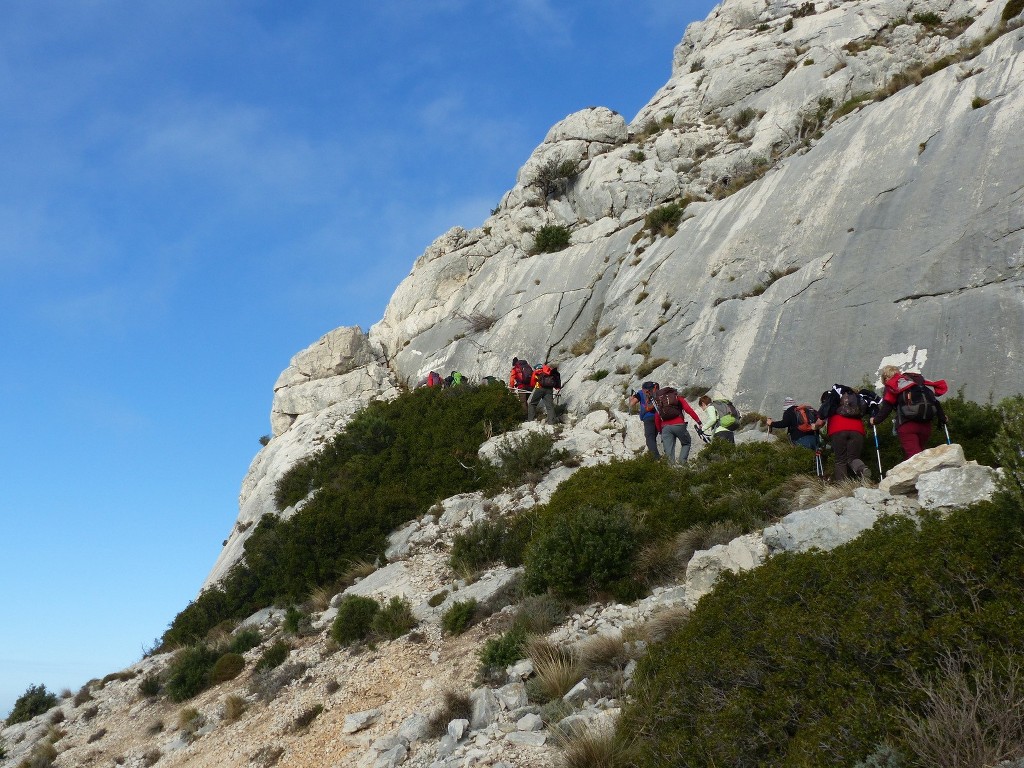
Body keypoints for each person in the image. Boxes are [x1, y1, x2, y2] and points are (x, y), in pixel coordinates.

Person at [870, 366, 948, 459]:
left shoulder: (893, 385)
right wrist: (943, 418)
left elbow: (887, 407)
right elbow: (935, 403)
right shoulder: (917, 384)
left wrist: (875, 420)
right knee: (918, 455)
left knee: (915, 458)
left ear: (885, 378)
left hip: (907, 425)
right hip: (926, 425)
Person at [815, 385, 871, 482]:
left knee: (840, 460)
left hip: (838, 430)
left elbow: (820, 422)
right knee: (853, 457)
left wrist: (814, 426)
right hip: (857, 430)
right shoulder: (852, 403)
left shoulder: (831, 402)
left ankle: (842, 486)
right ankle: (862, 469)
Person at [654, 387, 703, 465]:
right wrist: (698, 421)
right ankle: (682, 463)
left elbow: (657, 417)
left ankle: (671, 471)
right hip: (678, 425)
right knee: (686, 443)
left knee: (669, 453)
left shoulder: (661, 402)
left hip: (665, 428)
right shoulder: (678, 398)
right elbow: (688, 410)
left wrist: (660, 431)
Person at [629, 382, 661, 458]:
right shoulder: (657, 392)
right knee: (654, 437)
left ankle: (656, 459)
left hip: (648, 417)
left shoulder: (640, 393)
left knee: (650, 438)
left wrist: (630, 399)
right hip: (659, 416)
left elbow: (632, 404)